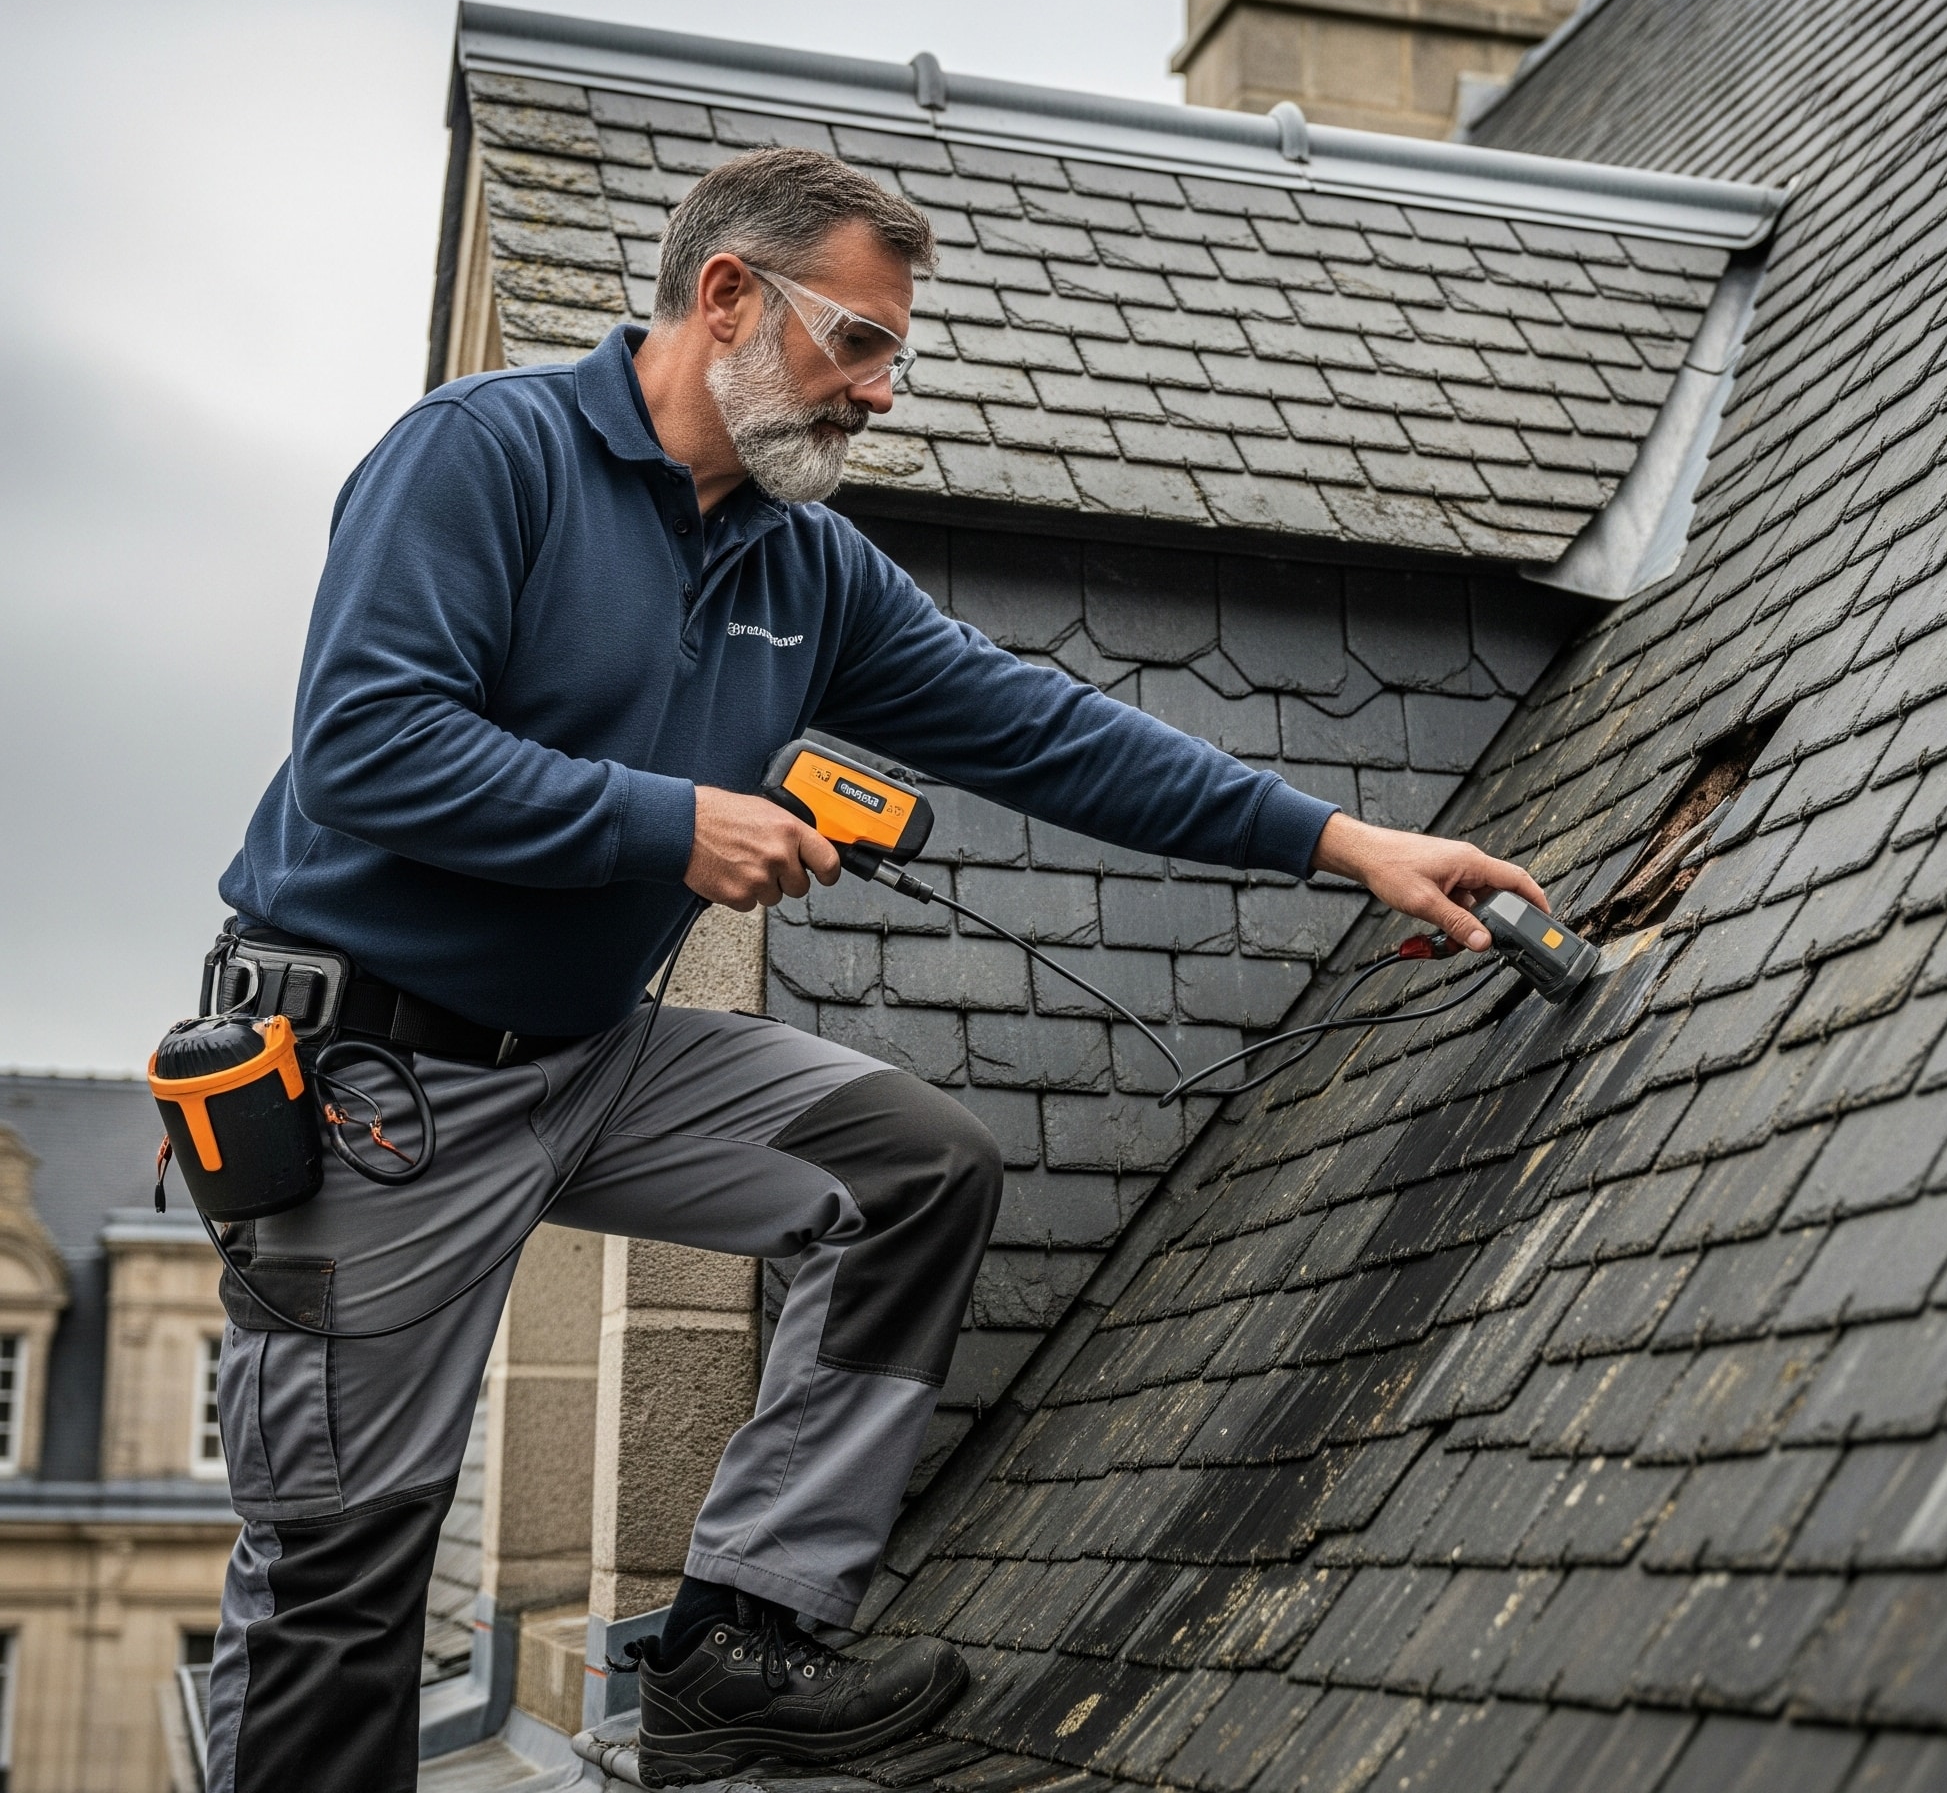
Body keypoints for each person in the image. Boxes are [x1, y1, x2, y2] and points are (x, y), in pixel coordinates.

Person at [200, 147, 1546, 1792]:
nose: (883, 393)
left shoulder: (800, 564)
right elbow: (366, 752)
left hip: (587, 1063)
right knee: (341, 1574)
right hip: (374, 1088)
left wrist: (1348, 848)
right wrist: (668, 825)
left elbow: (1050, 731)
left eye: (894, 354)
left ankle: (733, 1651)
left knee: (911, 1170)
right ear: (725, 299)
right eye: (858, 341)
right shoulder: (484, 458)